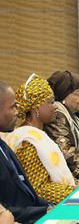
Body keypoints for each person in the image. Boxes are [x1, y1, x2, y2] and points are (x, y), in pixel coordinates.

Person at [7, 74, 77, 205]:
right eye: (50, 102)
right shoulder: (27, 141)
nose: (55, 106)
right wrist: (73, 191)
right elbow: (38, 188)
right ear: (36, 108)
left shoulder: (38, 134)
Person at [0, 81, 49, 224]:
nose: (17, 112)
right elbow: (5, 209)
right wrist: (43, 211)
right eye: (13, 107)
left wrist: (48, 207)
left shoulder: (2, 144)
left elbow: (26, 191)